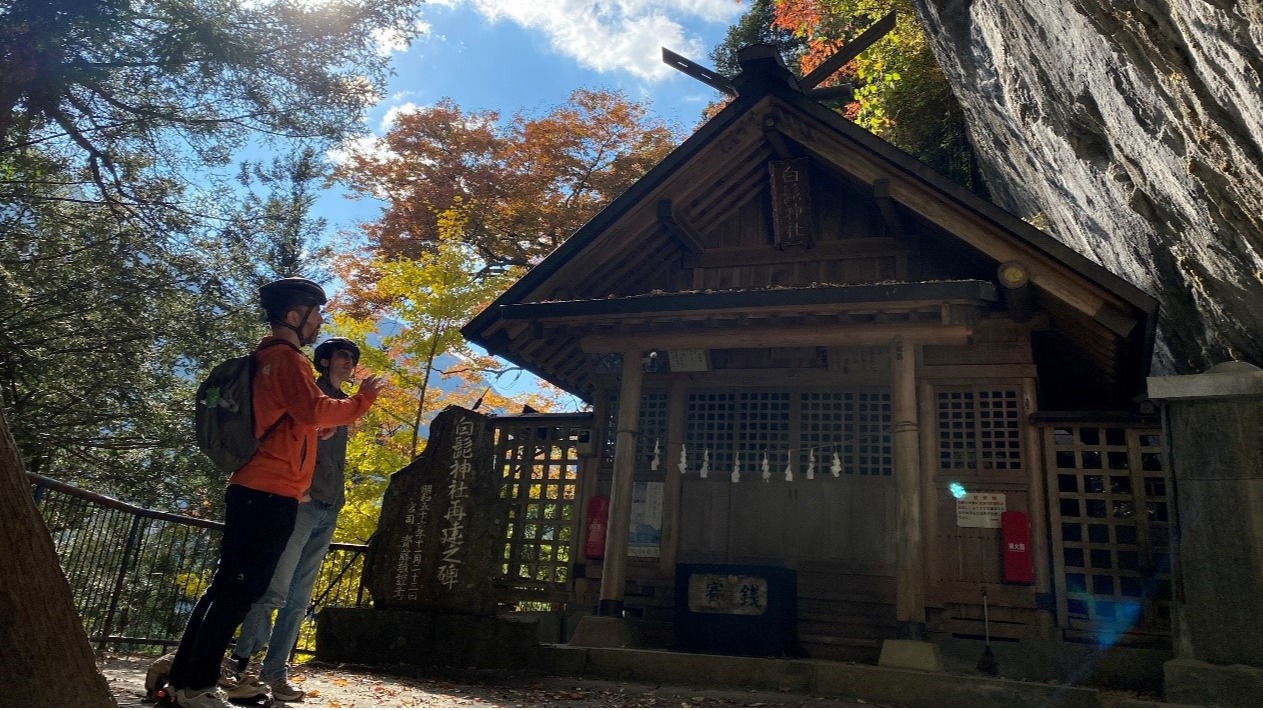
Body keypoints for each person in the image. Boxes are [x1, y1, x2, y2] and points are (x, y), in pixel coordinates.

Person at [166, 278, 385, 708]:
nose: (319, 322)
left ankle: (182, 681)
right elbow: (313, 409)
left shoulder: (267, 359)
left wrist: (313, 429)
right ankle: (198, 686)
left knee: (225, 588)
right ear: (293, 316)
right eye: (316, 314)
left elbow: (295, 418)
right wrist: (362, 401)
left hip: (257, 487)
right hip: (269, 491)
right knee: (238, 592)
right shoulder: (287, 359)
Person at [221, 337, 363, 702]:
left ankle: (275, 674)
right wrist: (303, 490)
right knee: (275, 589)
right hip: (300, 503)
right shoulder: (310, 396)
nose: (349, 362)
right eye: (342, 355)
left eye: (352, 357)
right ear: (324, 361)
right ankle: (241, 665)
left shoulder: (341, 405)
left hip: (328, 507)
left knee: (299, 599)